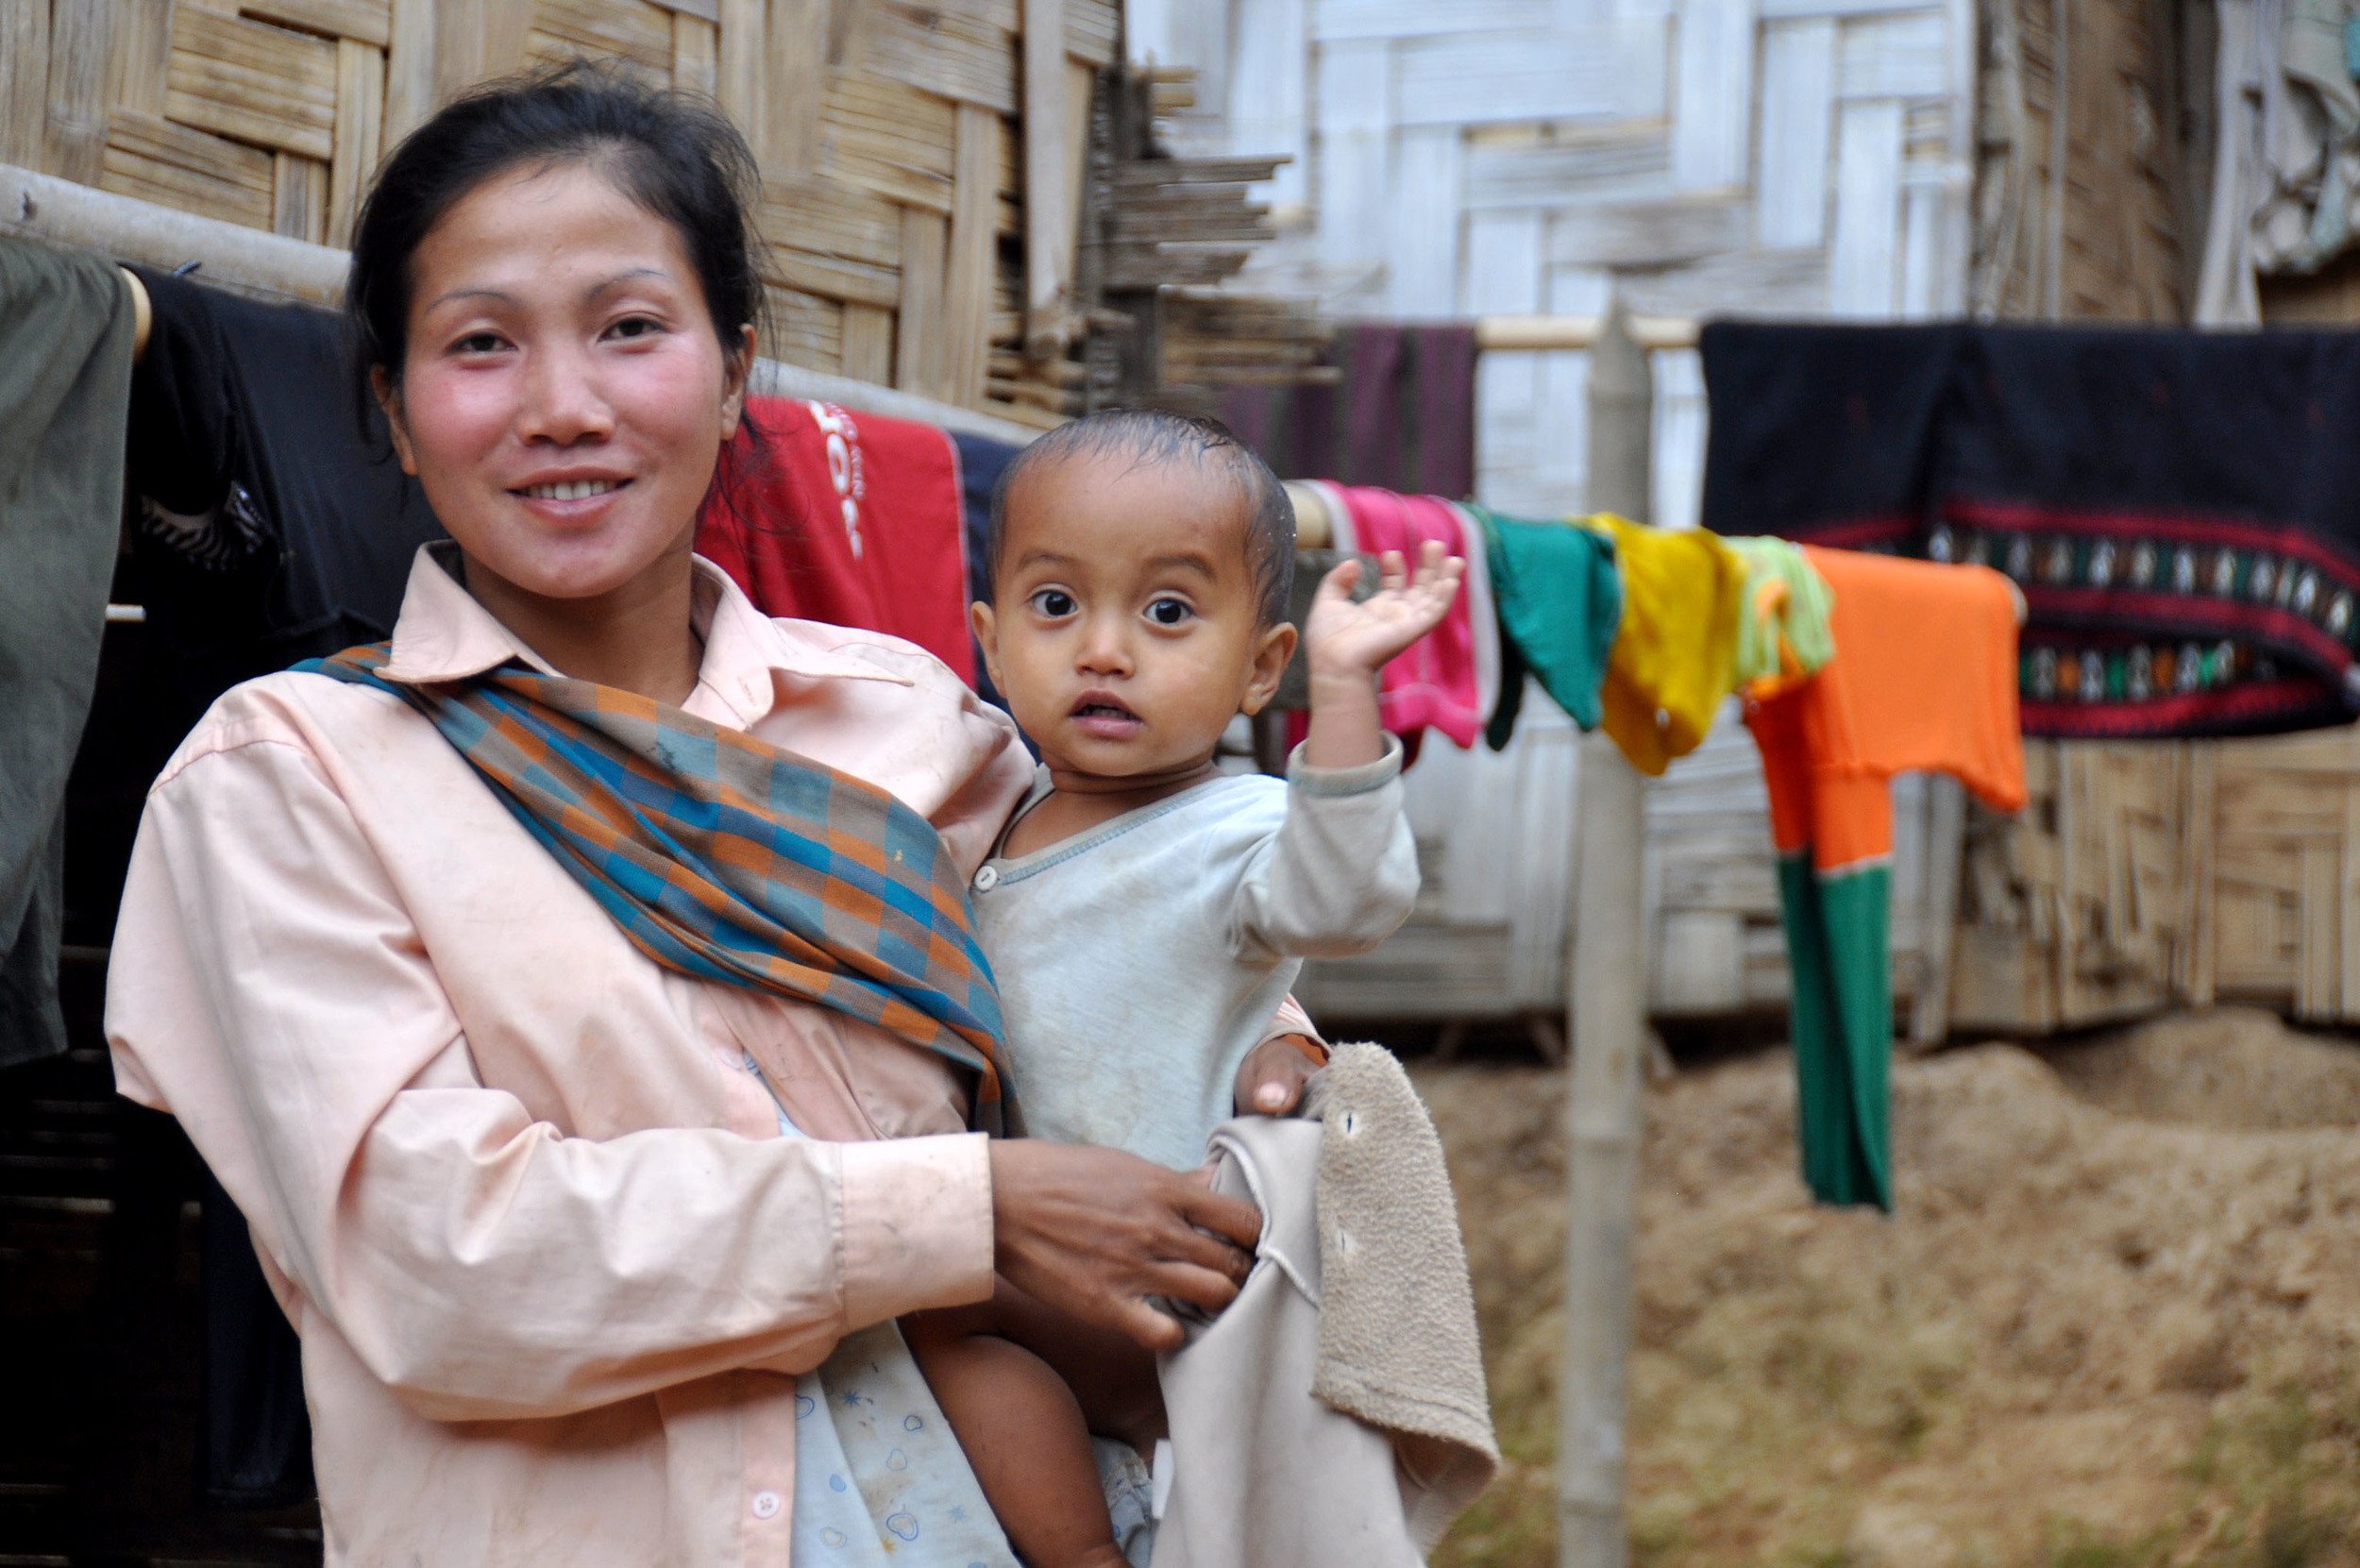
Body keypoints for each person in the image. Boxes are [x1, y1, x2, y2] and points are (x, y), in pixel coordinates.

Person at [103, 63, 1319, 1566]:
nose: (563, 407)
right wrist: (968, 1213)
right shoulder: (290, 782)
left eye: (630, 329)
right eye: (481, 345)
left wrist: (1278, 1040)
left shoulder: (911, 726)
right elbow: (442, 1270)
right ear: (397, 414)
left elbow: (1145, 937)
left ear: (736, 372)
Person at [903, 411, 1462, 1568]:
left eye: (1166, 613)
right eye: (1057, 606)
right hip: (1039, 1260)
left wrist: (1346, 692)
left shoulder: (1238, 829)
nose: (1104, 649)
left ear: (1261, 667)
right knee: (935, 1316)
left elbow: (1343, 899)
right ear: (990, 641)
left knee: (932, 1304)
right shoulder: (988, 819)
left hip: (1172, 1262)